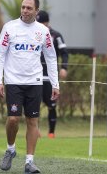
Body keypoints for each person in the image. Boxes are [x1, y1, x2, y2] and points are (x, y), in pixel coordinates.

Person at [0, 0, 60, 174]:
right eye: (23, 7)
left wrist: (55, 84)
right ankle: (10, 149)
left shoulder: (43, 31)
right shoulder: (10, 27)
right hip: (13, 81)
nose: (24, 10)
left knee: (32, 120)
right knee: (14, 119)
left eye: (29, 8)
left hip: (35, 81)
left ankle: (29, 162)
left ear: (36, 11)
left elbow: (51, 57)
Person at [36, 10, 68, 139]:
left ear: (47, 22)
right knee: (34, 106)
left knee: (51, 106)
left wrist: (64, 67)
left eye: (42, 23)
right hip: (36, 77)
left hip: (50, 78)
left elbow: (64, 52)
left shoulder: (56, 35)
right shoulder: (34, 33)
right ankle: (35, 130)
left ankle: (51, 133)